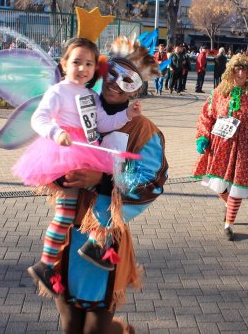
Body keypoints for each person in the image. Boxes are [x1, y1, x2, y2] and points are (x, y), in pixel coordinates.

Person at [47, 37, 167, 333]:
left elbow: (151, 182)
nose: (115, 83)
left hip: (103, 240)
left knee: (93, 330)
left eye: (127, 80)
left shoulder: (144, 130)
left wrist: (102, 180)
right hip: (66, 230)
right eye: (112, 73)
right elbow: (47, 153)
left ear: (137, 88)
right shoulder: (75, 106)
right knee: (70, 324)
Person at [14, 38, 142, 291]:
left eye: (88, 64)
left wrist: (127, 115)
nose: (82, 68)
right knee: (65, 212)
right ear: (63, 64)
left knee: (106, 191)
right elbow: (39, 118)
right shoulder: (58, 92)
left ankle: (93, 243)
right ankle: (49, 262)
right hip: (65, 152)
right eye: (76, 62)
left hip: (87, 150)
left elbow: (102, 123)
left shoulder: (89, 95)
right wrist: (55, 133)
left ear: (96, 68)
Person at [192, 54, 248, 241]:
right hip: (221, 144)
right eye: (237, 69)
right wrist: (202, 138)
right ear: (231, 71)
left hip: (246, 145)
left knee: (238, 186)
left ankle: (229, 224)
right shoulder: (219, 93)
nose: (240, 73)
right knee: (219, 185)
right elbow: (206, 116)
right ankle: (229, 206)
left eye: (244, 69)